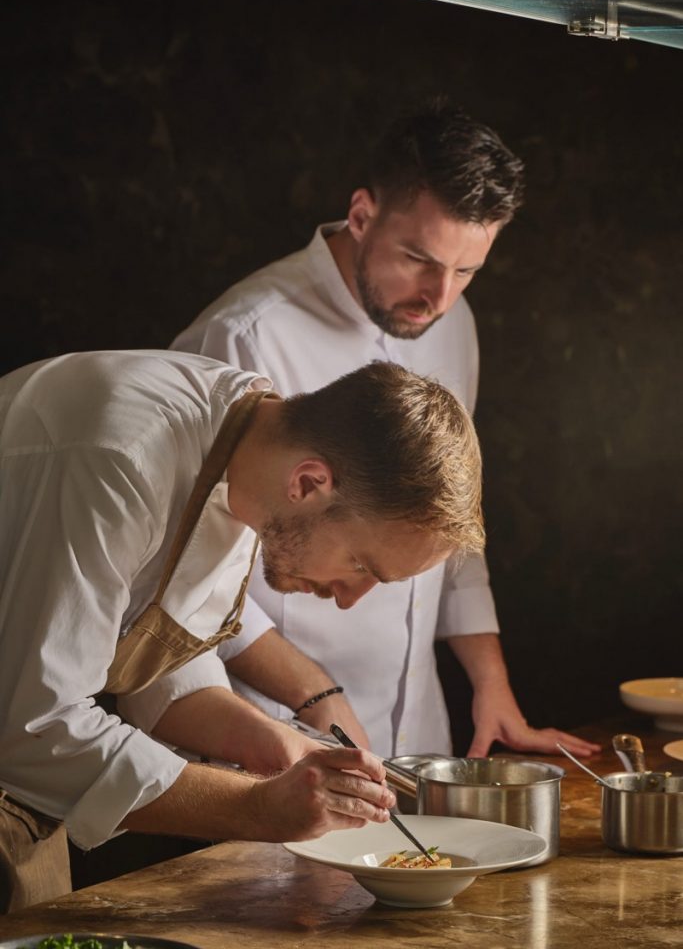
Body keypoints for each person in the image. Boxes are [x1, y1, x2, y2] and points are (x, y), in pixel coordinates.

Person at [173, 98, 599, 761]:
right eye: (418, 259)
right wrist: (312, 698)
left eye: (466, 271)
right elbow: (183, 571)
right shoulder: (242, 334)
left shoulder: (451, 325)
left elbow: (449, 514)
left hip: (416, 732)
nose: (439, 296)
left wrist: (490, 684)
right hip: (267, 734)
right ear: (362, 214)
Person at [0, 349, 483, 911]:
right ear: (308, 483)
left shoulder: (250, 448)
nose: (351, 598)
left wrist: (276, 744)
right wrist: (256, 807)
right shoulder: (120, 457)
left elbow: (154, 654)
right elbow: (36, 727)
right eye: (361, 565)